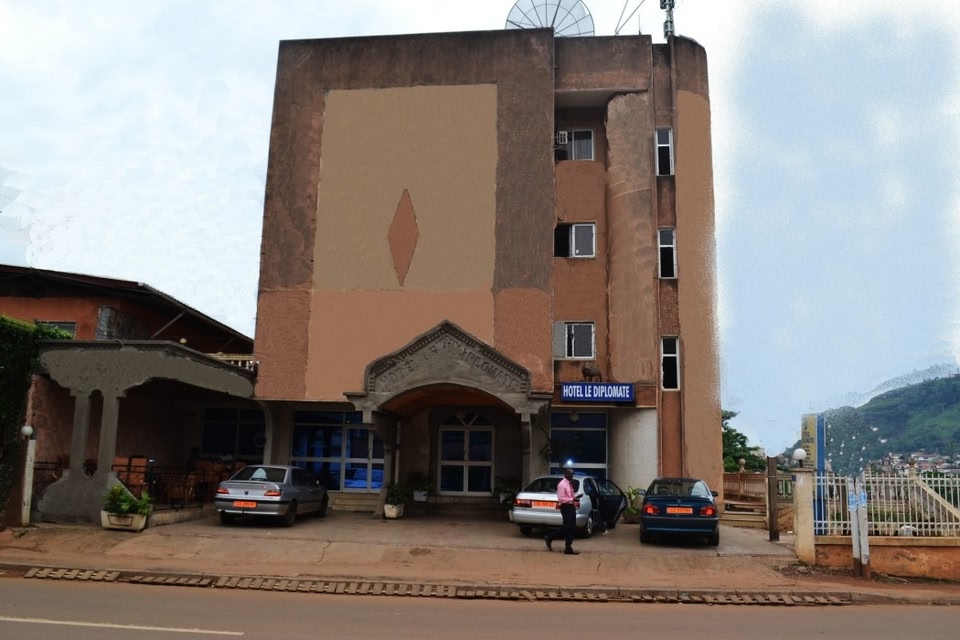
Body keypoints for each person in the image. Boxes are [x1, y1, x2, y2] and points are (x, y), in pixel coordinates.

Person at [544, 460, 580, 555]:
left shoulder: (569, 483)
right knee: (566, 527)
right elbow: (561, 499)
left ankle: (568, 547)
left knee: (572, 528)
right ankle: (549, 537)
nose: (572, 476)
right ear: (566, 474)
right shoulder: (562, 485)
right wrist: (572, 499)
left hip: (571, 506)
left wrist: (575, 498)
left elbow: (569, 496)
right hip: (565, 507)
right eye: (571, 474)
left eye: (573, 474)